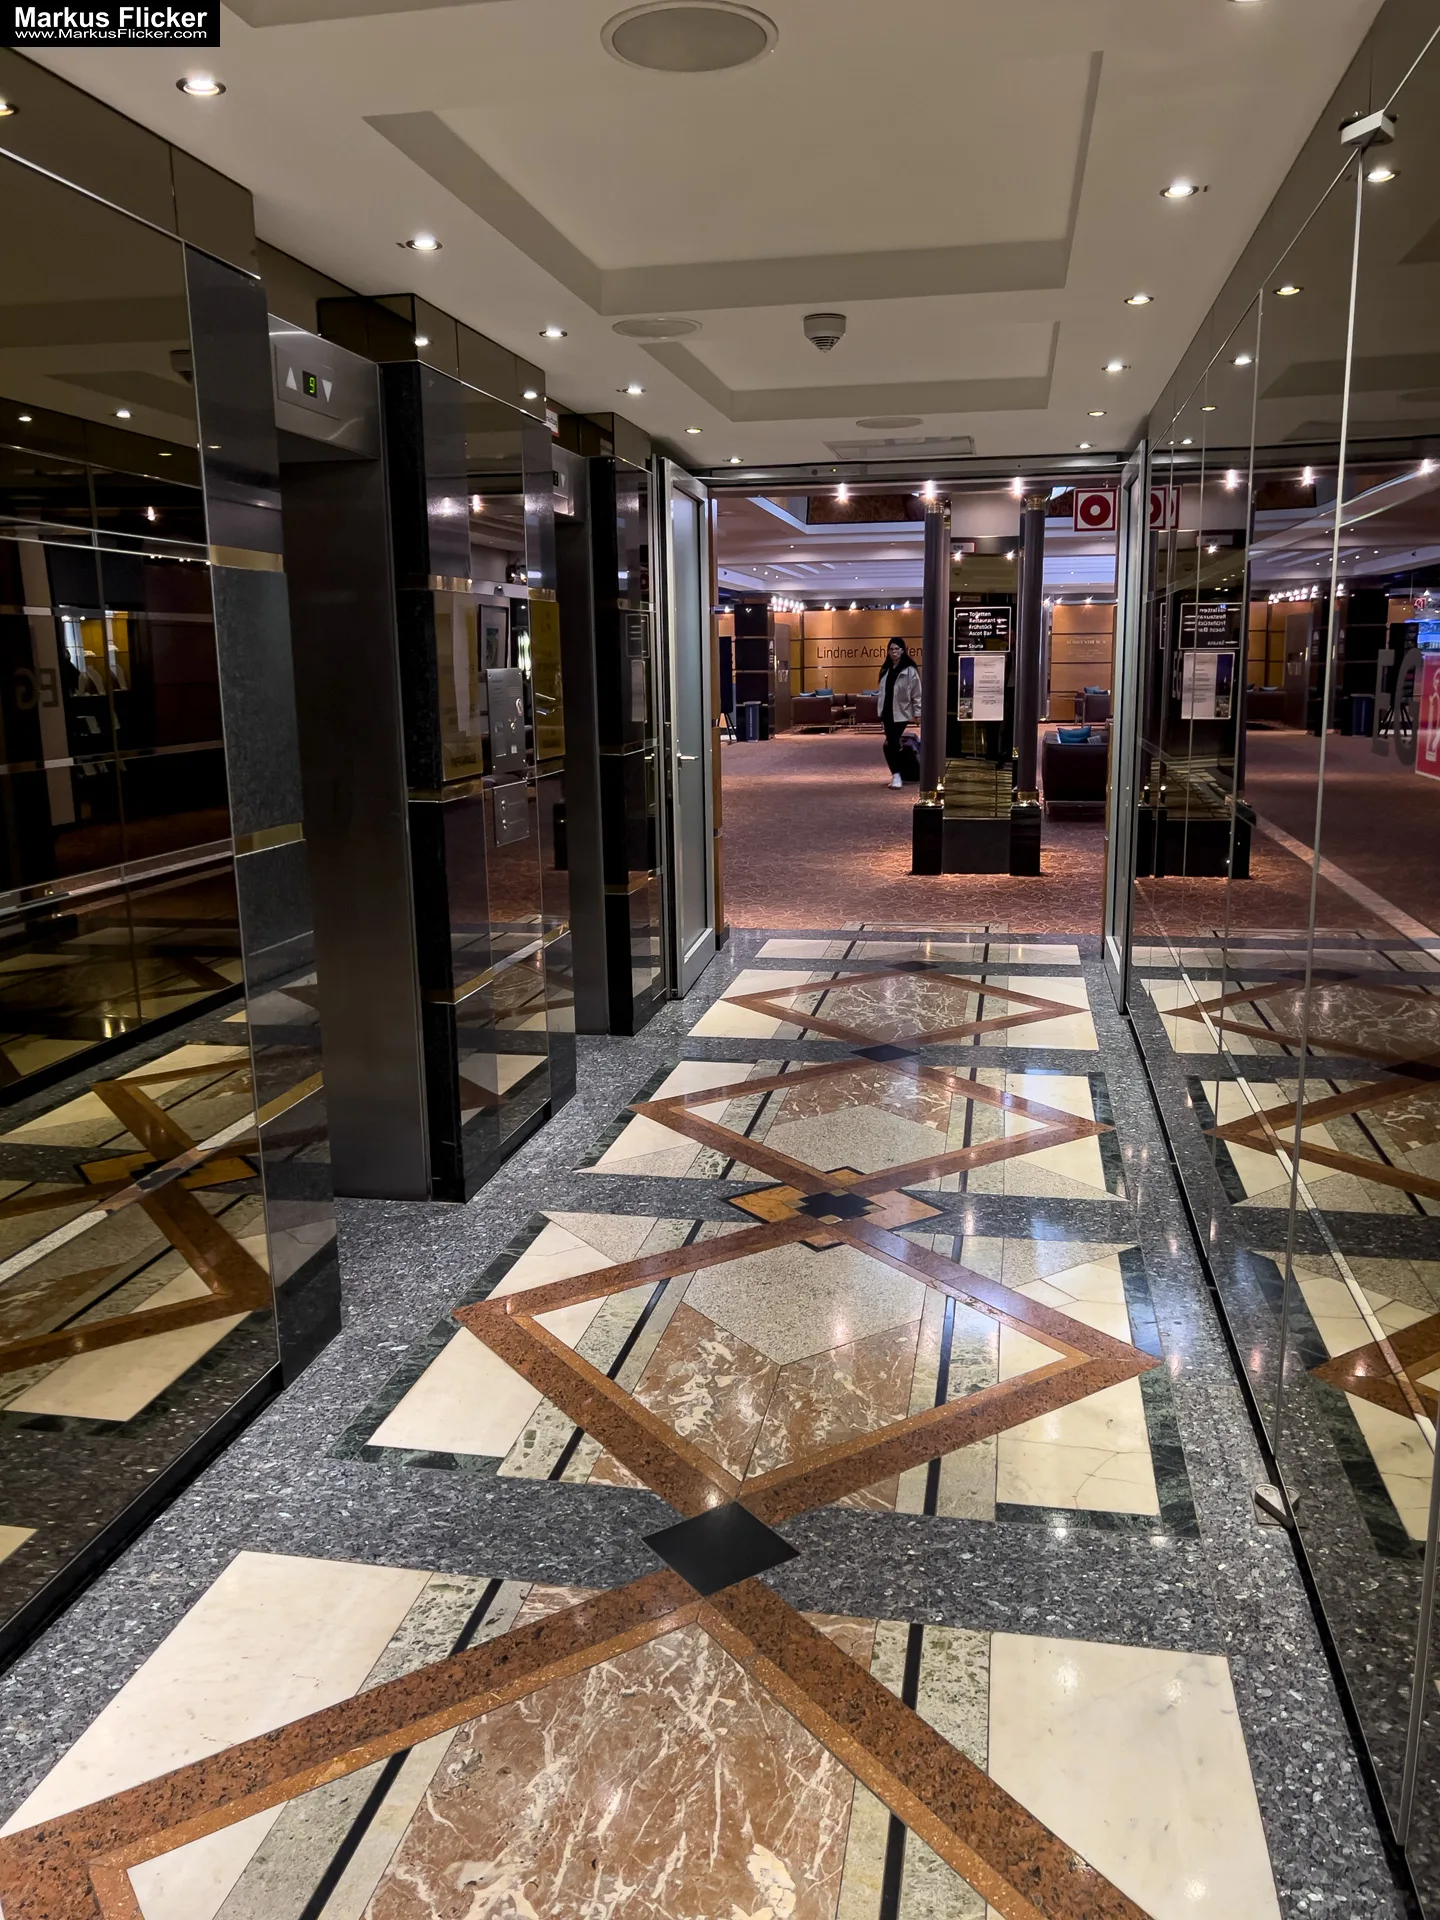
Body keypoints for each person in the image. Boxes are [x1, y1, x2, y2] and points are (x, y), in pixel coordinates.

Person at [877, 638, 922, 787]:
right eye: (891, 649)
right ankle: (896, 773)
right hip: (887, 711)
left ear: (903, 650)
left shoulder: (909, 670)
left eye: (897, 649)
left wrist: (918, 712)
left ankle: (896, 775)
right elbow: (882, 693)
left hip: (901, 712)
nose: (894, 652)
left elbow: (917, 693)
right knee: (891, 743)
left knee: (892, 741)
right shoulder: (886, 670)